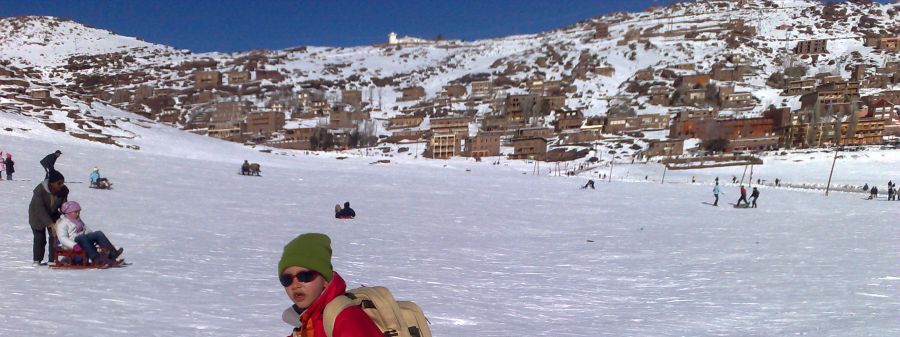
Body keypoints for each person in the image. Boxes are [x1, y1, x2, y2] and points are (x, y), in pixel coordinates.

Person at [278, 233, 382, 337]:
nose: (295, 285)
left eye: (305, 276)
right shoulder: (306, 321)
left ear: (325, 281)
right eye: (287, 279)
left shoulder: (344, 317)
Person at [55, 201, 123, 268]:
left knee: (98, 233)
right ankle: (96, 259)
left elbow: (86, 230)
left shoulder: (78, 220)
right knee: (81, 237)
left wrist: (94, 238)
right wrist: (74, 245)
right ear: (68, 213)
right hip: (72, 243)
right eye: (76, 212)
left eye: (79, 212)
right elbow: (62, 238)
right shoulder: (63, 223)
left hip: (83, 239)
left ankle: (113, 254)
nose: (78, 214)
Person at [29, 170, 68, 266]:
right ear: (52, 183)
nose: (61, 185)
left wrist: (67, 212)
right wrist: (51, 224)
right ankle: (37, 260)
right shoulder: (39, 191)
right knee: (40, 238)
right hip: (37, 216)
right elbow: (40, 210)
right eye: (59, 183)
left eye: (62, 183)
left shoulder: (63, 190)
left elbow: (64, 205)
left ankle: (52, 259)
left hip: (53, 215)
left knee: (54, 236)